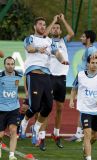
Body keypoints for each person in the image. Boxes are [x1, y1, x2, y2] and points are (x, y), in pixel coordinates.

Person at [20, 17, 67, 151]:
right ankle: (24, 123)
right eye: (40, 24)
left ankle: (35, 127)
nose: (42, 26)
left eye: (44, 25)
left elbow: (56, 52)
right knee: (34, 106)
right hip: (33, 74)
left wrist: (62, 60)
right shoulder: (30, 38)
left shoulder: (49, 40)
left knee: (48, 106)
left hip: (46, 75)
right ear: (35, 26)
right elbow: (29, 49)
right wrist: (37, 50)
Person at [66, 30, 97, 145]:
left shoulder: (92, 50)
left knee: (87, 109)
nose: (81, 38)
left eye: (83, 36)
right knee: (87, 109)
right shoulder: (90, 49)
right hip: (84, 80)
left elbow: (93, 65)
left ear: (88, 39)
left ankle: (79, 135)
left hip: (87, 81)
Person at [37, 13, 74, 148]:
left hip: (62, 78)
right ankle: (41, 137)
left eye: (58, 28)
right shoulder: (47, 41)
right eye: (54, 28)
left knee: (59, 108)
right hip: (50, 77)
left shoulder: (64, 41)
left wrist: (63, 20)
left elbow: (71, 33)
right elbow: (44, 34)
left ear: (60, 31)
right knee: (46, 108)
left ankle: (56, 134)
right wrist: (53, 21)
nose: (55, 30)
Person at [69, 55, 97, 160]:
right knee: (87, 134)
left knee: (95, 137)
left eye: (96, 62)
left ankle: (85, 147)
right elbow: (74, 88)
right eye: (92, 62)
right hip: (85, 109)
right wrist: (71, 100)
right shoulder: (80, 75)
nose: (94, 65)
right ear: (87, 64)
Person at [0, 56, 22, 160]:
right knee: (1, 134)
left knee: (13, 130)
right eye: (8, 64)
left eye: (12, 64)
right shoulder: (0, 75)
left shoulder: (19, 74)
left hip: (14, 108)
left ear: (14, 65)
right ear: (4, 65)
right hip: (1, 108)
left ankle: (12, 156)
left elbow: (27, 81)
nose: (10, 66)